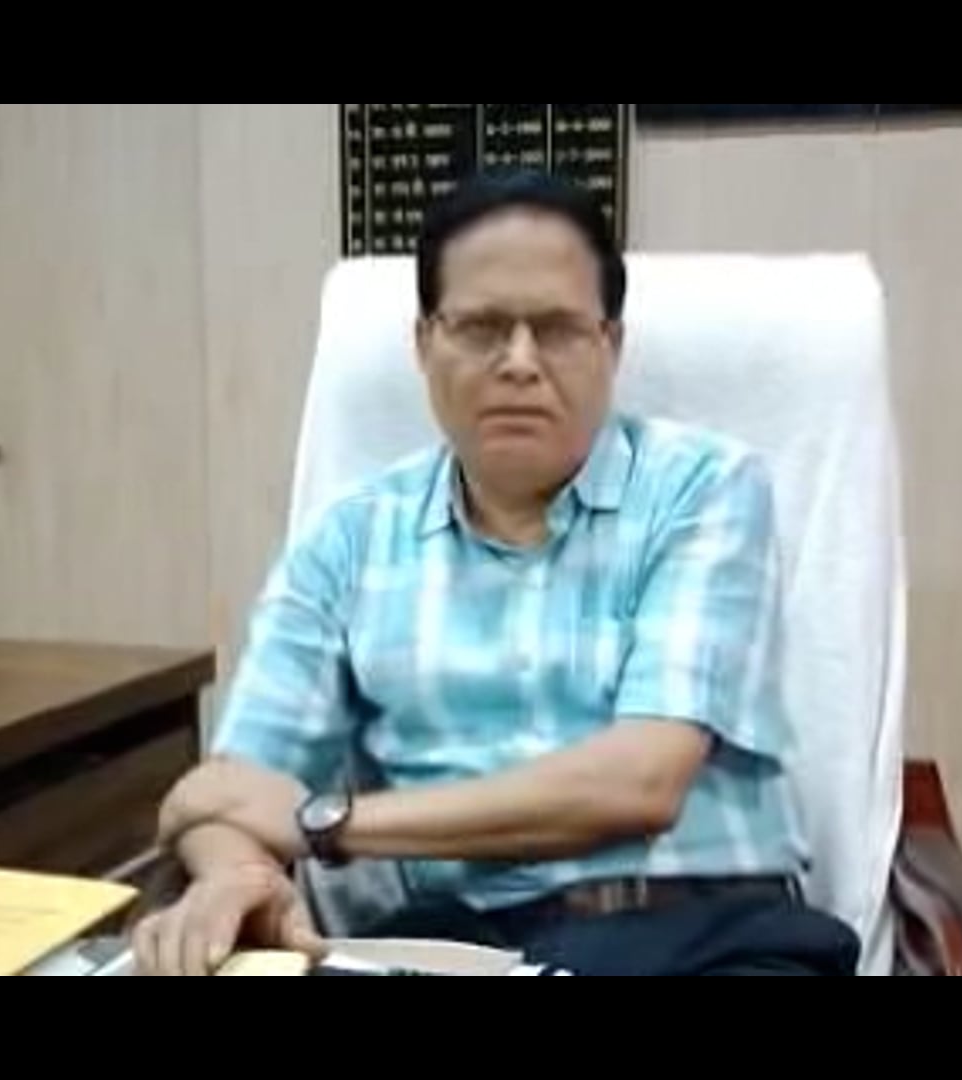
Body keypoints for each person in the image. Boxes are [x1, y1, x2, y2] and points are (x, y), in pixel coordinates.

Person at [134, 169, 859, 976]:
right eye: (480, 328)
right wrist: (236, 872)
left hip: (701, 937)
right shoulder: (349, 542)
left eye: (556, 329)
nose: (519, 362)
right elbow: (231, 794)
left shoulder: (704, 489)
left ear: (611, 345)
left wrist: (328, 822)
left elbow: (641, 783)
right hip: (454, 945)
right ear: (423, 344)